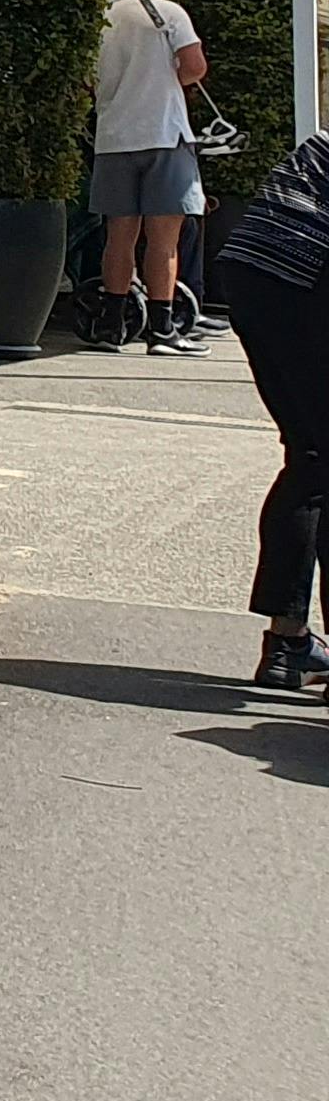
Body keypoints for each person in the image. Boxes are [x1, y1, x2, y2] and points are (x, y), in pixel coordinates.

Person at [211, 127, 329, 691]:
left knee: (311, 457)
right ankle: (289, 645)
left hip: (253, 271)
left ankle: (287, 645)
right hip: (307, 276)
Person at [85, 0, 210, 353]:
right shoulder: (168, 12)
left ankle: (110, 326)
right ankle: (162, 329)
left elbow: (87, 82)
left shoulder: (93, 21)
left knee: (118, 236)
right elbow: (194, 67)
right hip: (164, 134)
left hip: (113, 139)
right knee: (163, 240)